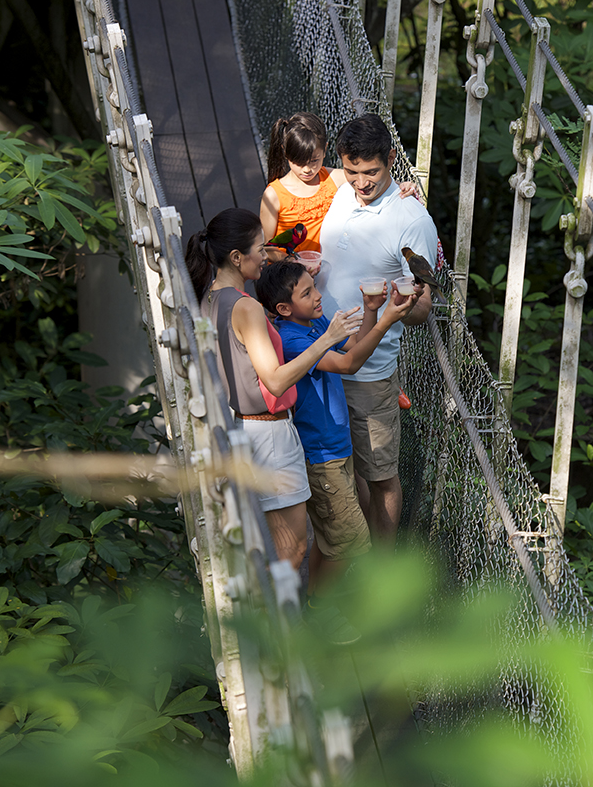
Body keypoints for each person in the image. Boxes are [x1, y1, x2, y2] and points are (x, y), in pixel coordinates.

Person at [184, 208, 363, 571]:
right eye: (259, 249)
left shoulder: (209, 298)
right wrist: (327, 339)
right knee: (291, 552)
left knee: (266, 550)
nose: (265, 256)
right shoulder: (247, 307)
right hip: (268, 434)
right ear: (237, 257)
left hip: (237, 428)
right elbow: (276, 379)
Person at [256, 260, 414, 589]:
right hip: (322, 455)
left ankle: (317, 605)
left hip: (336, 449)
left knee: (332, 543)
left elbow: (353, 346)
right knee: (349, 544)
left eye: (314, 288)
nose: (317, 296)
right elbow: (348, 364)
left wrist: (371, 311)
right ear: (284, 308)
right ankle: (324, 611)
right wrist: (386, 320)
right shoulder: (293, 340)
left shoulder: (315, 325)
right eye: (307, 292)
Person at [316, 113, 437, 543]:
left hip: (369, 371)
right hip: (321, 357)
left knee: (380, 473)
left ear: (390, 160)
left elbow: (423, 310)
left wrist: (401, 303)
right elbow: (304, 172)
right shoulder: (340, 188)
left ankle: (380, 577)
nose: (361, 183)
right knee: (345, 470)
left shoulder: (411, 221)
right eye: (352, 171)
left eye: (372, 172)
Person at [259, 112, 418, 257]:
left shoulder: (332, 178)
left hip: (327, 270)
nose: (307, 169)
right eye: (299, 163)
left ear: (325, 150)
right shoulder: (274, 195)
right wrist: (292, 262)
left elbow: (372, 180)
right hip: (290, 276)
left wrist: (402, 185)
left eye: (314, 160)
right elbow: (266, 247)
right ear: (285, 153)